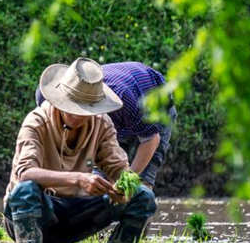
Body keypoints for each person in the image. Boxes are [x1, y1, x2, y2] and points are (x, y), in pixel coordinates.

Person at [5, 58, 157, 243]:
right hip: (35, 212)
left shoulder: (102, 124)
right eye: (72, 108)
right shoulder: (36, 122)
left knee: (143, 196)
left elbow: (119, 168)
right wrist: (78, 179)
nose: (78, 116)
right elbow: (25, 173)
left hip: (76, 215)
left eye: (85, 110)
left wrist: (121, 187)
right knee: (25, 190)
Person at [35, 61, 175, 188]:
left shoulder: (124, 101)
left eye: (79, 113)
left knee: (139, 184)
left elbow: (151, 139)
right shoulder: (47, 96)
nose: (74, 117)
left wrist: (126, 182)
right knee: (99, 179)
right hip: (121, 117)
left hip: (153, 104)